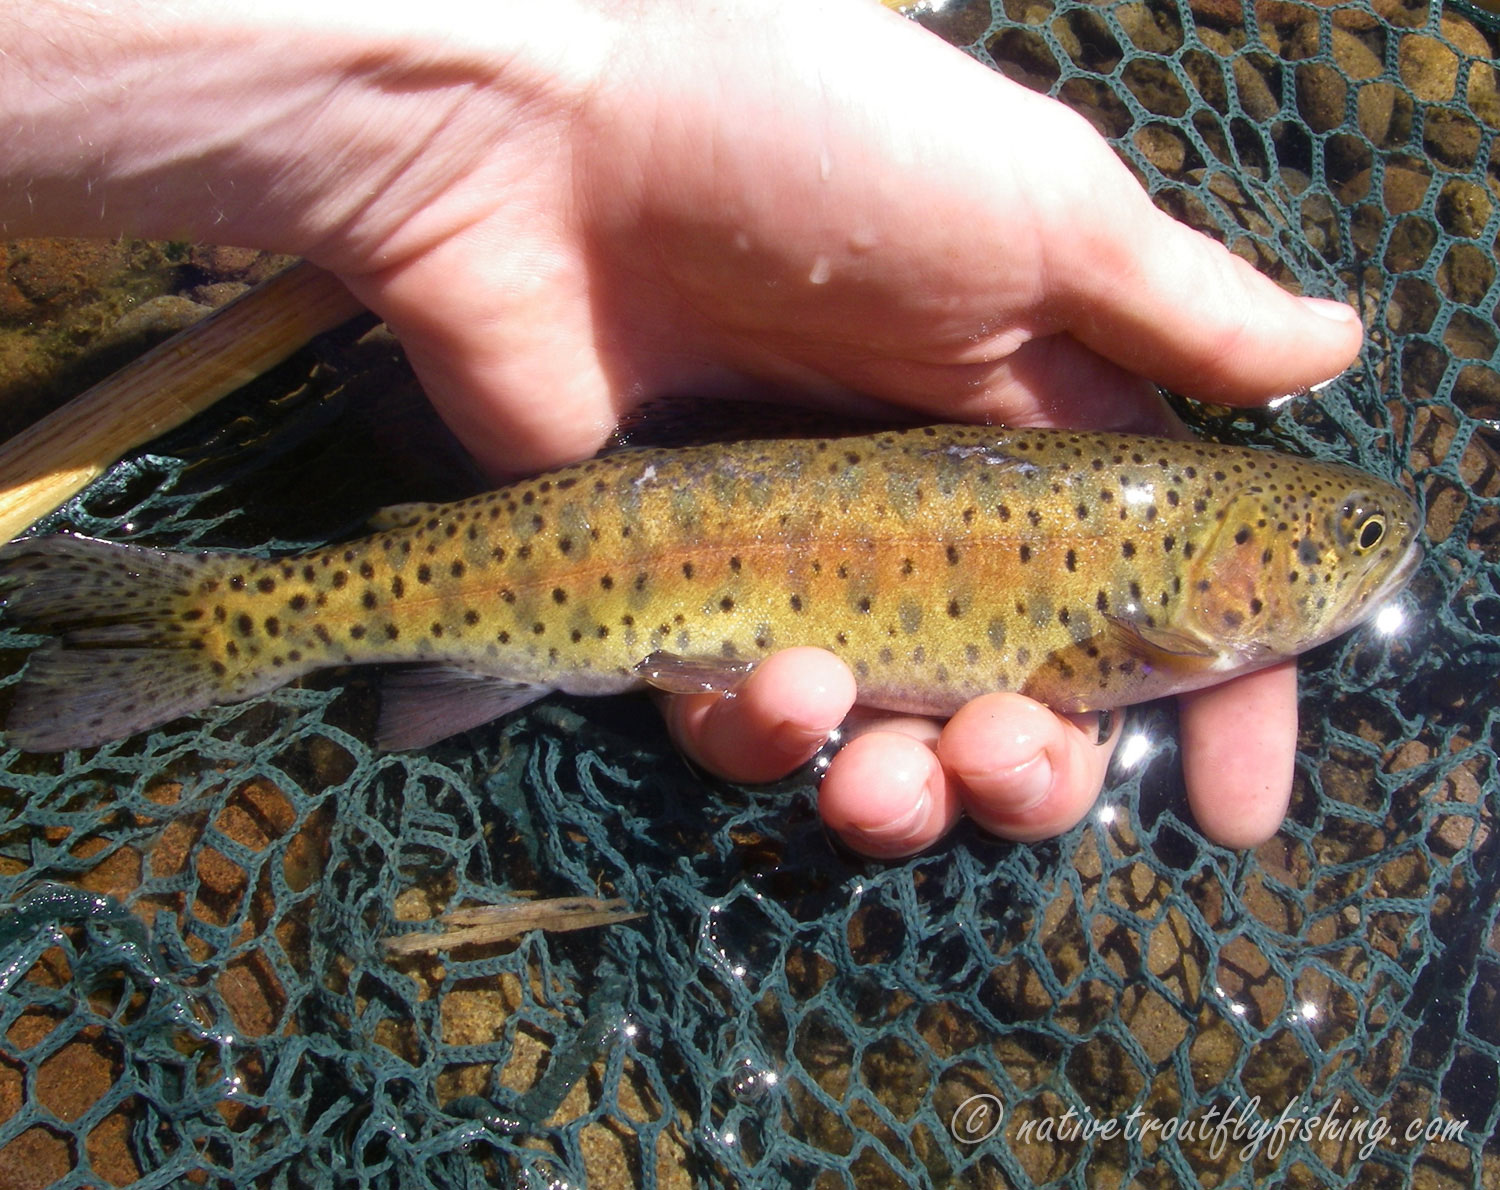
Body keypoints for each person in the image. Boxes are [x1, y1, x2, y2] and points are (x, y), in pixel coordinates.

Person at [1, 0, 1362, 857]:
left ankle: (255, 619)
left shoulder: (1145, 568)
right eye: (1340, 538)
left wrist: (510, 106)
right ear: (1231, 570)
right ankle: (241, 621)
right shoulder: (1141, 621)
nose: (1364, 549)